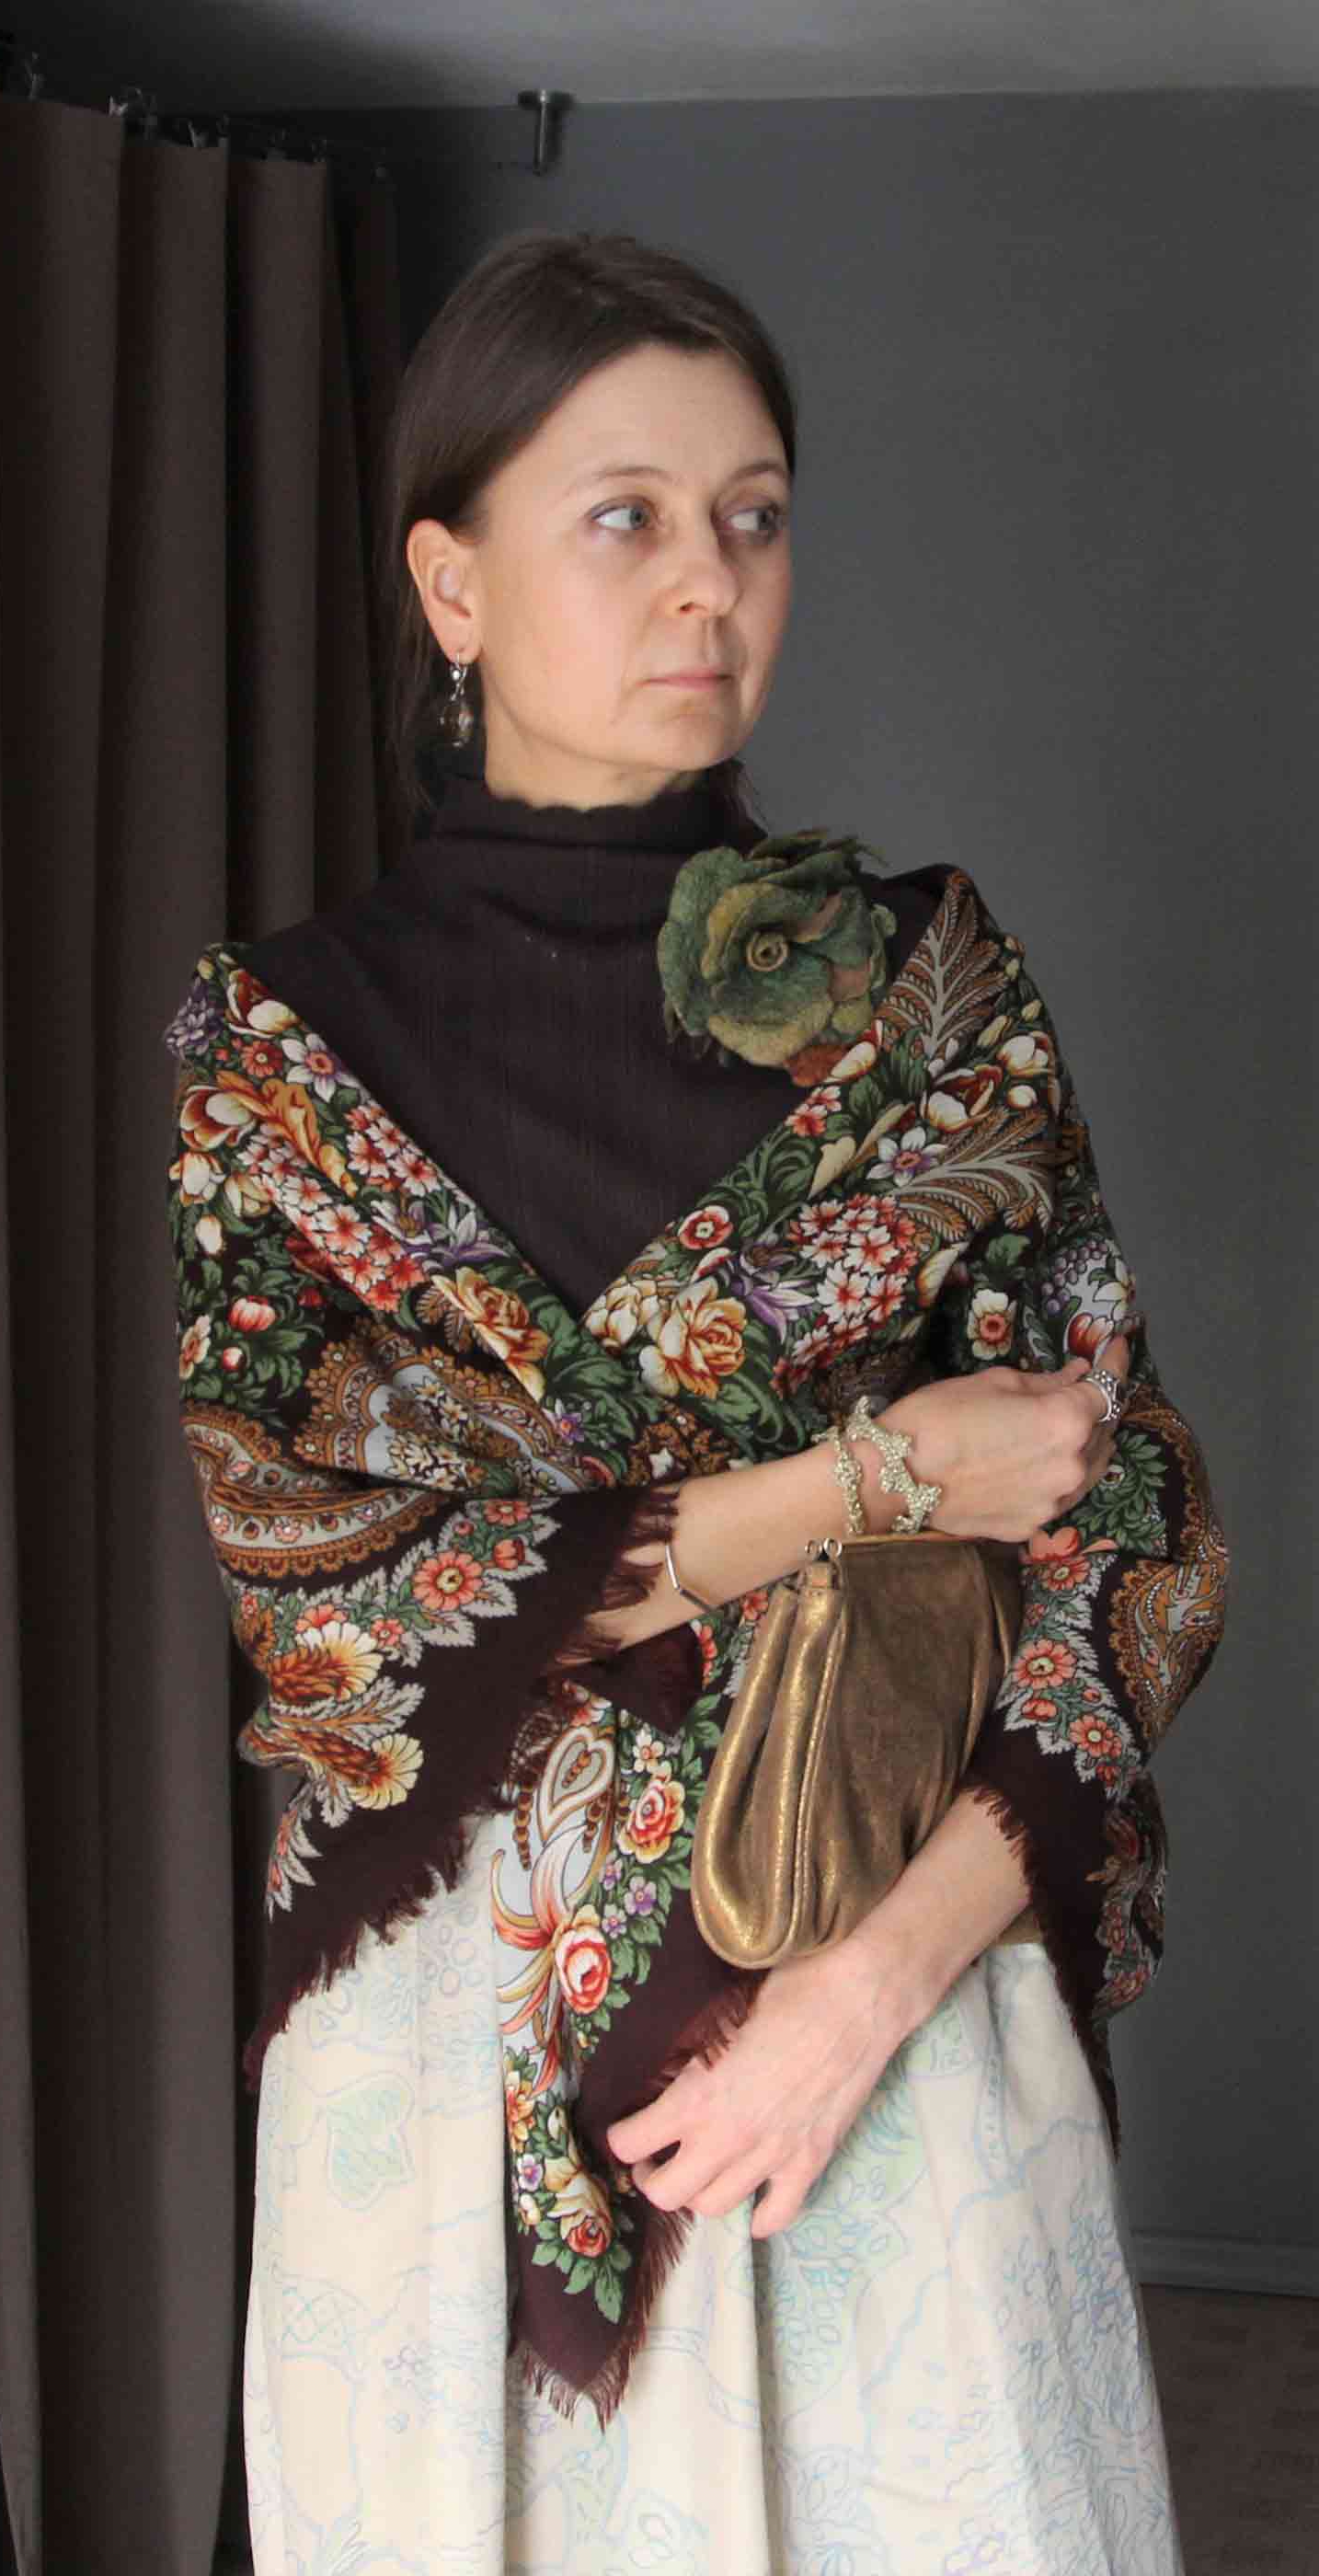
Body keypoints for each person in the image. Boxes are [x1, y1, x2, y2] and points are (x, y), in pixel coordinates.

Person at [164, 228, 1226, 2572]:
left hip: (883, 1995)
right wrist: (870, 1474)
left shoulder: (928, 999)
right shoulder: (280, 1051)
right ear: (449, 583)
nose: (705, 581)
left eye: (751, 515)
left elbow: (1128, 1530)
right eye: (623, 514)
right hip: (440, 2059)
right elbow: (329, 1595)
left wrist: (867, 1990)